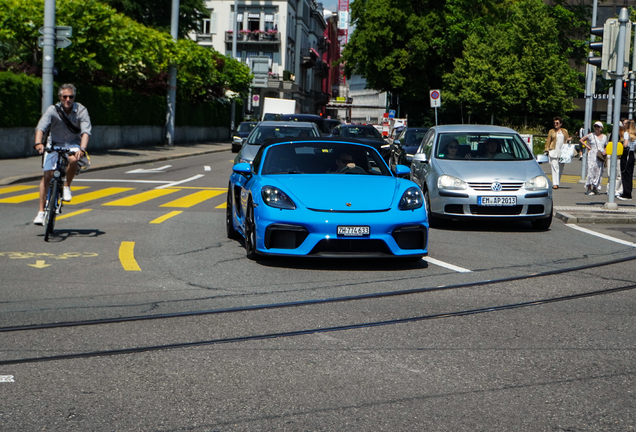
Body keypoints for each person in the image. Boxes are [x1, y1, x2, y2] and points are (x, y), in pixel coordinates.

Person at [33, 84, 91, 225]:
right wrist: (38, 143)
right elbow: (41, 127)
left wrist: (82, 149)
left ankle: (66, 187)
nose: (68, 99)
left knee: (73, 159)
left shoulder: (81, 110)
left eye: (70, 97)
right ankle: (41, 212)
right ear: (60, 97)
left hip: (72, 145)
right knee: (47, 176)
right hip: (54, 144)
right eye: (64, 96)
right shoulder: (53, 110)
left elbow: (86, 132)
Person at [580, 121, 607, 195]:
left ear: (601, 128)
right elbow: (581, 140)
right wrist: (588, 147)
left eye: (598, 127)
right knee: (591, 170)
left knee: (598, 171)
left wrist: (605, 151)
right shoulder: (591, 135)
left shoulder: (604, 137)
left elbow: (606, 145)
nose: (596, 128)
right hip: (592, 155)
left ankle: (595, 188)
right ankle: (589, 188)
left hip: (600, 155)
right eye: (595, 126)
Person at [544, 116, 571, 189]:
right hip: (553, 150)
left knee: (561, 168)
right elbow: (548, 141)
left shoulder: (564, 131)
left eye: (557, 123)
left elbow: (567, 140)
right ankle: (555, 184)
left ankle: (557, 182)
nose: (555, 124)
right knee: (555, 168)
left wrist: (569, 140)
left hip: (562, 152)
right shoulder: (551, 131)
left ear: (560, 124)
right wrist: (546, 149)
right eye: (554, 123)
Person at [619, 119, 636, 200]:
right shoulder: (634, 134)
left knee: (624, 173)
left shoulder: (626, 133)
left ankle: (626, 194)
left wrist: (621, 145)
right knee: (630, 174)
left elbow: (625, 144)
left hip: (626, 154)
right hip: (632, 154)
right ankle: (628, 192)